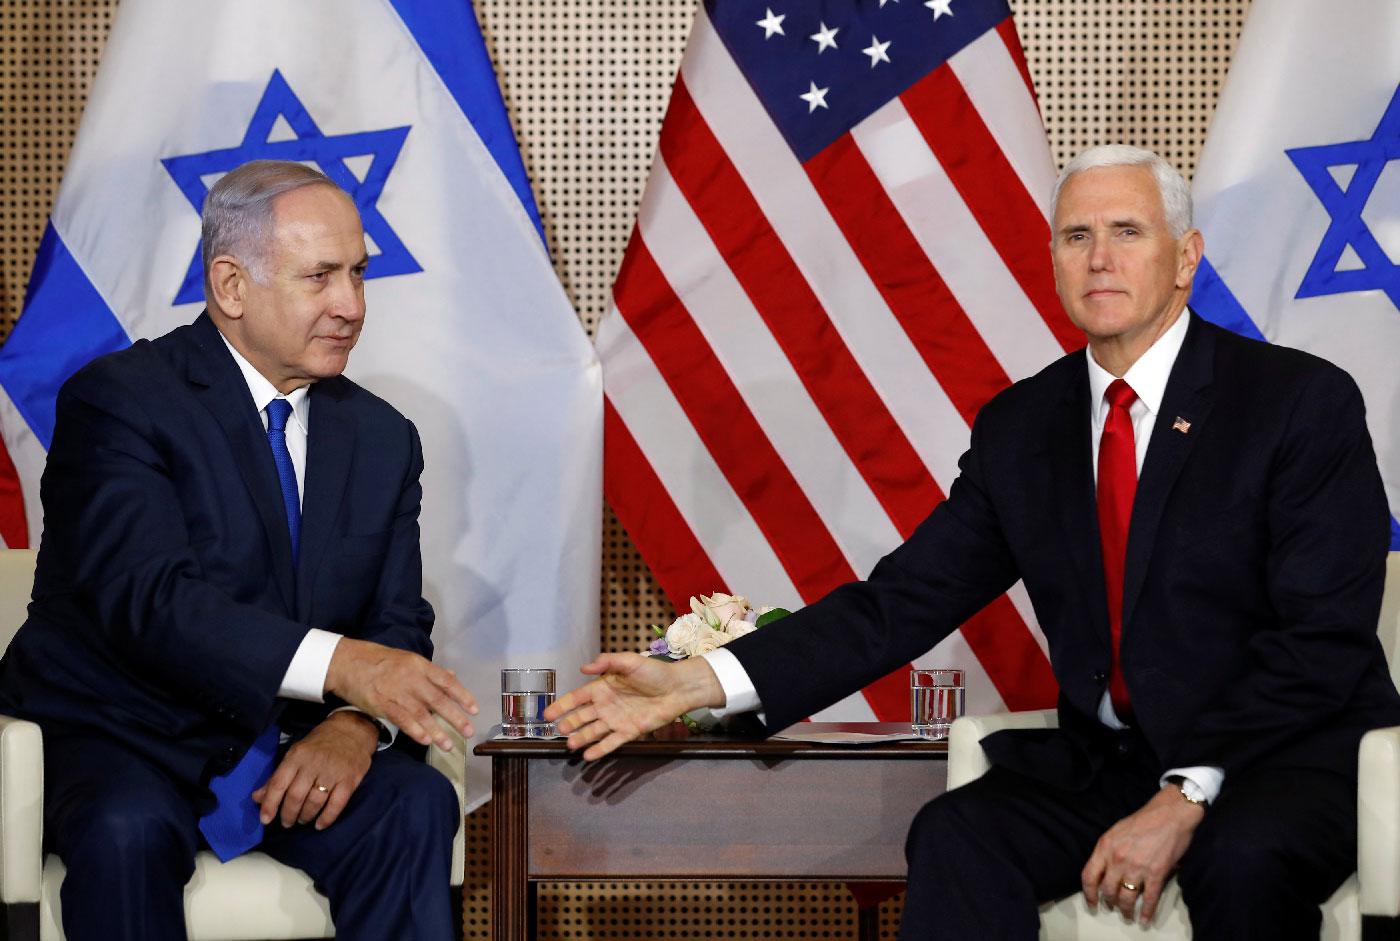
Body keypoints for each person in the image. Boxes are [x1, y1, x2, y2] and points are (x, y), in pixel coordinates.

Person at [546, 145, 1400, 940]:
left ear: (1185, 258)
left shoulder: (1297, 404)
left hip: (1281, 756)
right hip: (1114, 761)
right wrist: (699, 680)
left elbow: (1319, 642)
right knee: (957, 833)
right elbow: (901, 600)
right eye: (1077, 235)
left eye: (1128, 232)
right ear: (1055, 261)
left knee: (1240, 856)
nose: (1099, 256)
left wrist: (1186, 795)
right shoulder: (1022, 427)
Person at [0, 160, 478, 941]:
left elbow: (396, 618)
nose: (351, 306)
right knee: (125, 830)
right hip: (124, 735)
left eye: (359, 274)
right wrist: (345, 667)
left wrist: (355, 724)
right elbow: (151, 602)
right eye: (320, 276)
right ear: (230, 285)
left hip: (291, 746)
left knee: (412, 802)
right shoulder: (119, 402)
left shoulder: (384, 438)